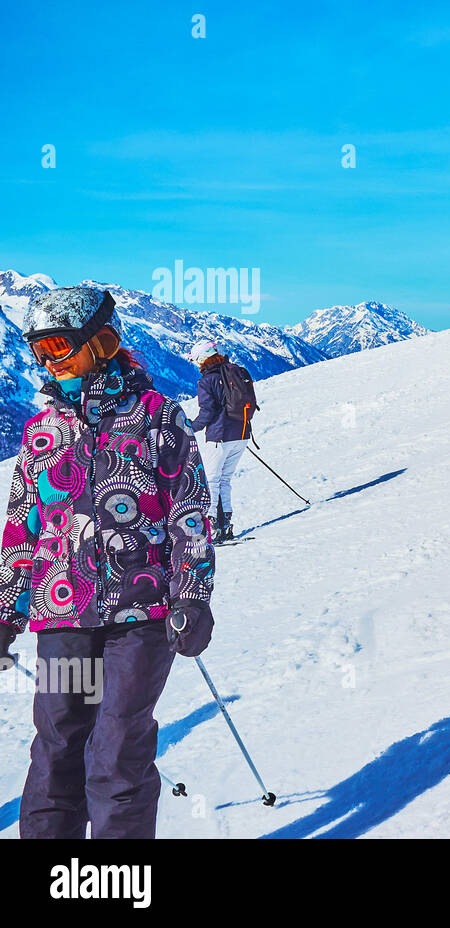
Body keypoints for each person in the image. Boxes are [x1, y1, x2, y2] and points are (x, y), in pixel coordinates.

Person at [0, 286, 215, 838]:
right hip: (61, 613)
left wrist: (192, 593)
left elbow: (189, 511)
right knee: (56, 750)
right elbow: (21, 529)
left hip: (140, 615)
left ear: (104, 342)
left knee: (118, 752)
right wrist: (6, 611)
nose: (47, 361)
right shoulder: (41, 432)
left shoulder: (157, 418)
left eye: (57, 347)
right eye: (38, 351)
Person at [188, 339, 256, 542]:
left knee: (211, 481)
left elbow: (207, 411)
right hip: (242, 433)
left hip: (219, 437)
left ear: (202, 359)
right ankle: (226, 527)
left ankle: (213, 529)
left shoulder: (207, 381)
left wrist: (191, 427)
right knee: (225, 480)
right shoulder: (237, 372)